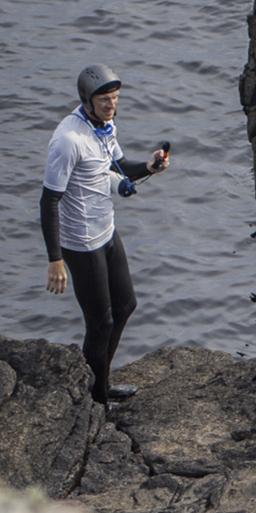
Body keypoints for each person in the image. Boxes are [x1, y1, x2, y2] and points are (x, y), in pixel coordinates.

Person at [42, 64, 170, 405]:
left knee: (126, 305)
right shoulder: (68, 140)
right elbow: (49, 201)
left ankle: (100, 383)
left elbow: (118, 167)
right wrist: (55, 260)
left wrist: (149, 167)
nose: (111, 105)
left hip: (106, 231)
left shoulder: (105, 126)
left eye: (115, 98)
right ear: (87, 100)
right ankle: (95, 401)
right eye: (104, 100)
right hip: (80, 243)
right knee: (100, 323)